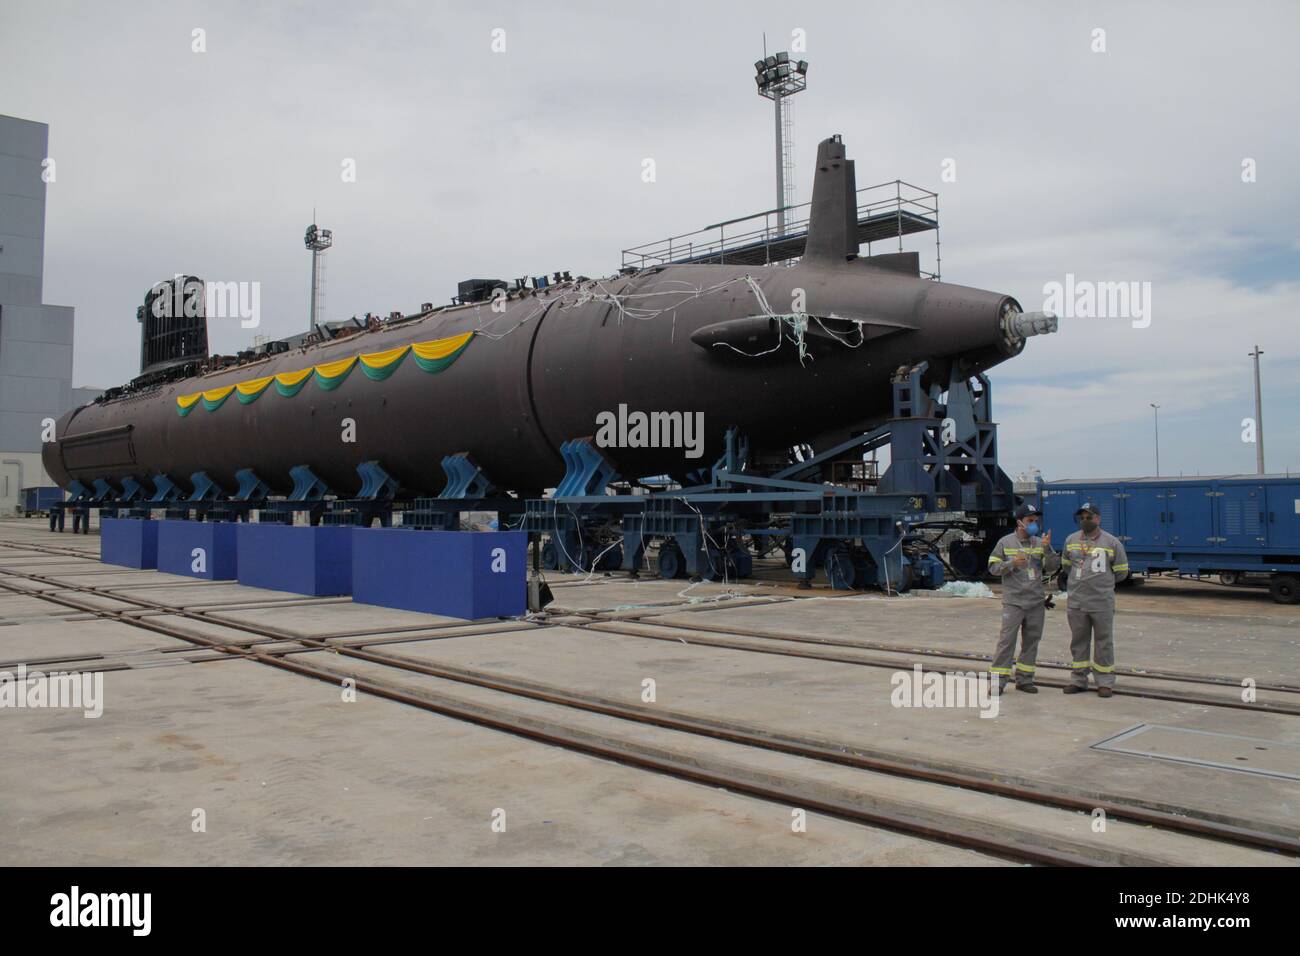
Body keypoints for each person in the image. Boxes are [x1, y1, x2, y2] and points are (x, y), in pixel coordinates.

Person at [986, 503, 1059, 692]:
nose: (1035, 524)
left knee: (1031, 642)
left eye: (1036, 520)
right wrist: (1011, 563)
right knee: (1006, 642)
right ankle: (998, 683)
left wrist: (1048, 550)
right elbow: (993, 568)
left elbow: (1052, 567)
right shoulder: (1005, 542)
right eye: (1030, 520)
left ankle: (1025, 680)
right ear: (1020, 522)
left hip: (1035, 603)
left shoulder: (1039, 543)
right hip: (1014, 602)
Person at [1062, 502, 1129, 698]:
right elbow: (1067, 566)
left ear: (1098, 519)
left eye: (1089, 517)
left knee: (1104, 643)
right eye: (1081, 517)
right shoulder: (1071, 540)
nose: (1085, 520)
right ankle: (1078, 680)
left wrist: (1101, 585)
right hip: (1077, 602)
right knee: (1078, 642)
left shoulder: (1112, 542)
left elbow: (1121, 572)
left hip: (1101, 602)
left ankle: (1105, 682)